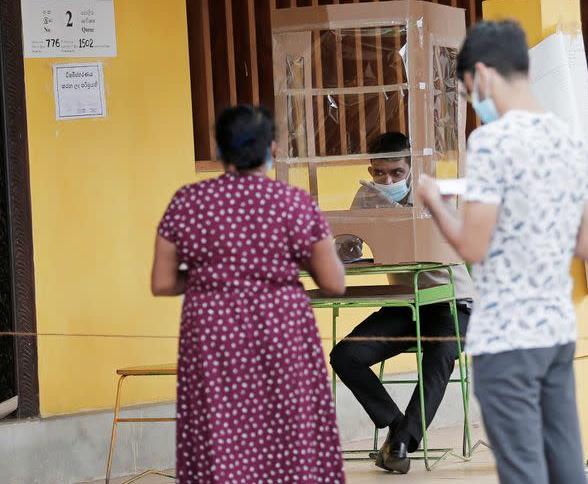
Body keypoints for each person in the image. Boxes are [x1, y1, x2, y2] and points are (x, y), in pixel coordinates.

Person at [416, 20, 588, 484]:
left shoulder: (491, 143)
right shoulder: (570, 139)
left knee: (523, 472)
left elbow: (471, 247)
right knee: (566, 469)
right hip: (557, 332)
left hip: (507, 340)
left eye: (466, 91)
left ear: (481, 75)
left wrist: (435, 203)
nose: (473, 103)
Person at [151, 105, 347, 483]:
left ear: (219, 150)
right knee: (290, 423)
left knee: (219, 422)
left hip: (212, 332)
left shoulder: (188, 202)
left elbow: (162, 282)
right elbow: (333, 283)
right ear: (271, 148)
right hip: (282, 328)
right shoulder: (293, 203)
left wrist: (215, 279)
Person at [329, 132, 475, 475]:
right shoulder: (367, 197)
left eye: (396, 172)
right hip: (407, 305)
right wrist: (345, 246)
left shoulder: (435, 195)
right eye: (380, 173)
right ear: (371, 169)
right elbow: (348, 245)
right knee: (345, 355)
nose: (388, 180)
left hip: (451, 302)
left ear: (412, 167)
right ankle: (398, 430)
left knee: (439, 355)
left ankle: (402, 444)